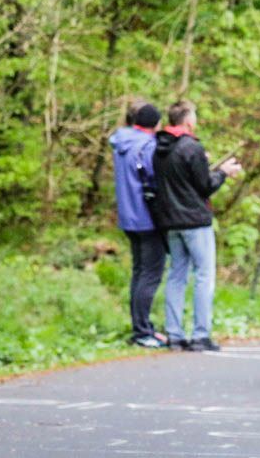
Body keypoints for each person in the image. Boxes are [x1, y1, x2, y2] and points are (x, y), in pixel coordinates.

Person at [151, 100, 242, 352]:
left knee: (176, 276)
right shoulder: (191, 147)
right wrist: (223, 172)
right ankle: (201, 335)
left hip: (170, 221)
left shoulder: (159, 147)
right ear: (189, 121)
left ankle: (174, 334)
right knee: (204, 276)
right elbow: (205, 186)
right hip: (195, 221)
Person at [110, 100, 167, 348]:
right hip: (146, 217)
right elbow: (154, 179)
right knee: (151, 274)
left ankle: (140, 327)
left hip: (127, 216)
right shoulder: (147, 146)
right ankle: (143, 331)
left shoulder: (121, 142)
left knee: (138, 272)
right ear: (155, 124)